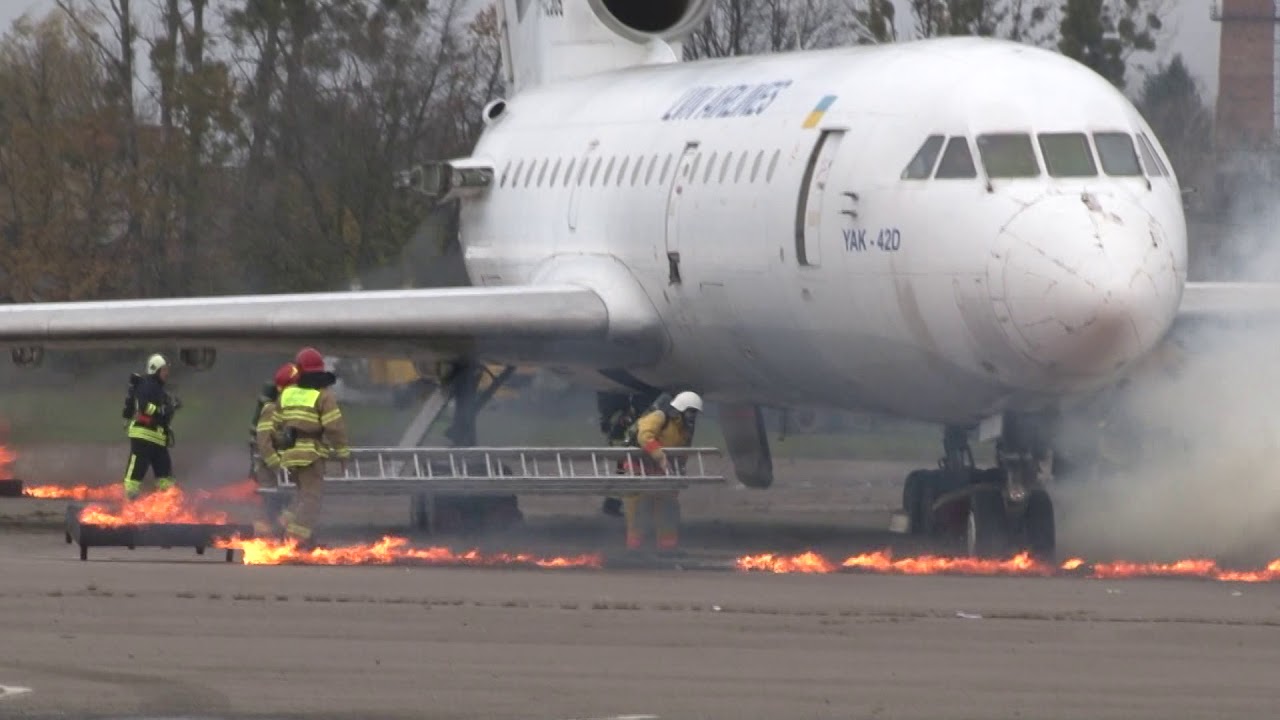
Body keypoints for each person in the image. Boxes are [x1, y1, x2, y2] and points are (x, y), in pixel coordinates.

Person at [272, 347, 349, 547]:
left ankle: (281, 525)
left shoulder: (287, 394)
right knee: (312, 498)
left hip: (290, 455)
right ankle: (296, 539)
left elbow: (275, 425)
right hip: (310, 455)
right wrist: (342, 453)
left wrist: (280, 449)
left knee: (301, 495)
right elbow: (334, 427)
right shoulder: (323, 396)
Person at [623, 390, 702, 553]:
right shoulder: (660, 417)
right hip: (640, 466)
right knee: (638, 508)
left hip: (661, 469)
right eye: (691, 411)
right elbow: (644, 436)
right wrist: (660, 456)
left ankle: (667, 548)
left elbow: (683, 450)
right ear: (681, 408)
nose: (693, 416)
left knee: (668, 507)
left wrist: (679, 469)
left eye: (695, 412)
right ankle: (635, 549)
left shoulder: (685, 429)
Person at [121, 353, 181, 500]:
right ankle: (130, 502)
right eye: (164, 370)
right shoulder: (146, 385)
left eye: (167, 370)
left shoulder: (159, 389)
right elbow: (144, 407)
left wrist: (172, 406)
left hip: (158, 440)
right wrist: (163, 410)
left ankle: (167, 504)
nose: (167, 373)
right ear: (155, 370)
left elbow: (163, 415)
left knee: (165, 474)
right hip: (143, 436)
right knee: (136, 471)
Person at [251, 363, 299, 536]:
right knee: (272, 508)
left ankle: (283, 537)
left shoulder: (289, 409)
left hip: (285, 470)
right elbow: (264, 443)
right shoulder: (271, 410)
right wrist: (279, 467)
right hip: (271, 472)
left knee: (291, 506)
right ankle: (268, 540)